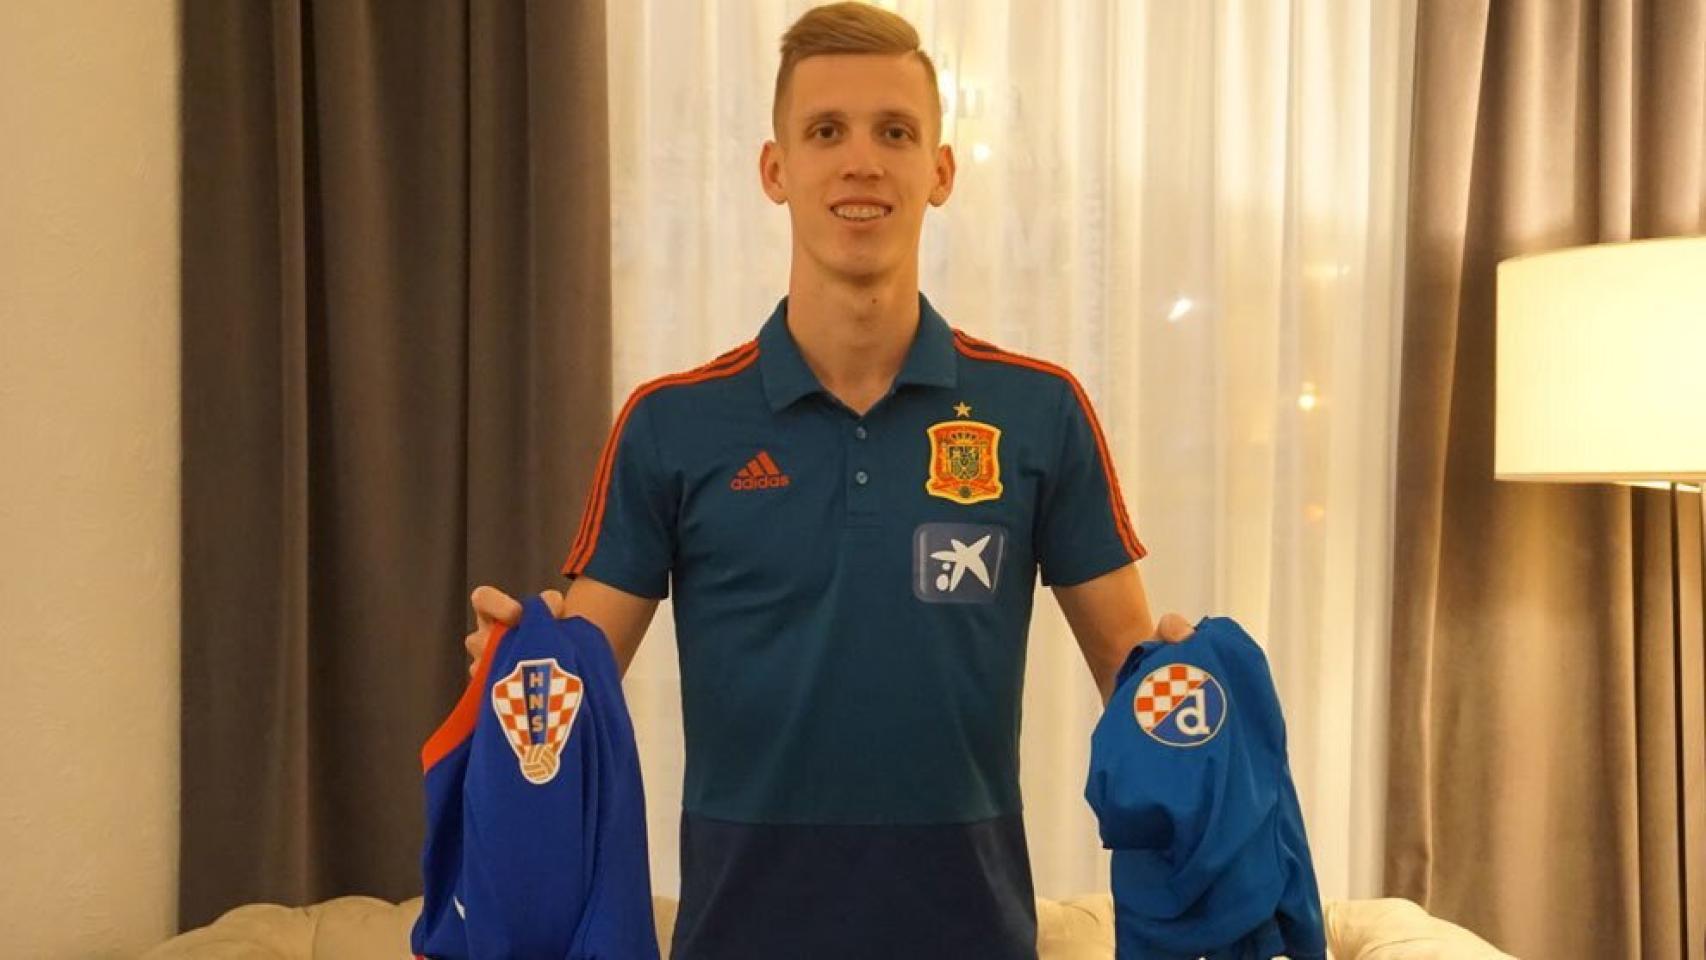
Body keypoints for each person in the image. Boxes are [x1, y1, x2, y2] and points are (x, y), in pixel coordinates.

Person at [463, 4, 1194, 957]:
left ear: (940, 171)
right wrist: (515, 670)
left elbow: (1129, 676)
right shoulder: (671, 422)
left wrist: (1192, 688)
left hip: (971, 937)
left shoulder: (1039, 411)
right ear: (776, 170)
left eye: (894, 132)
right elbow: (575, 687)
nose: (861, 162)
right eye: (825, 132)